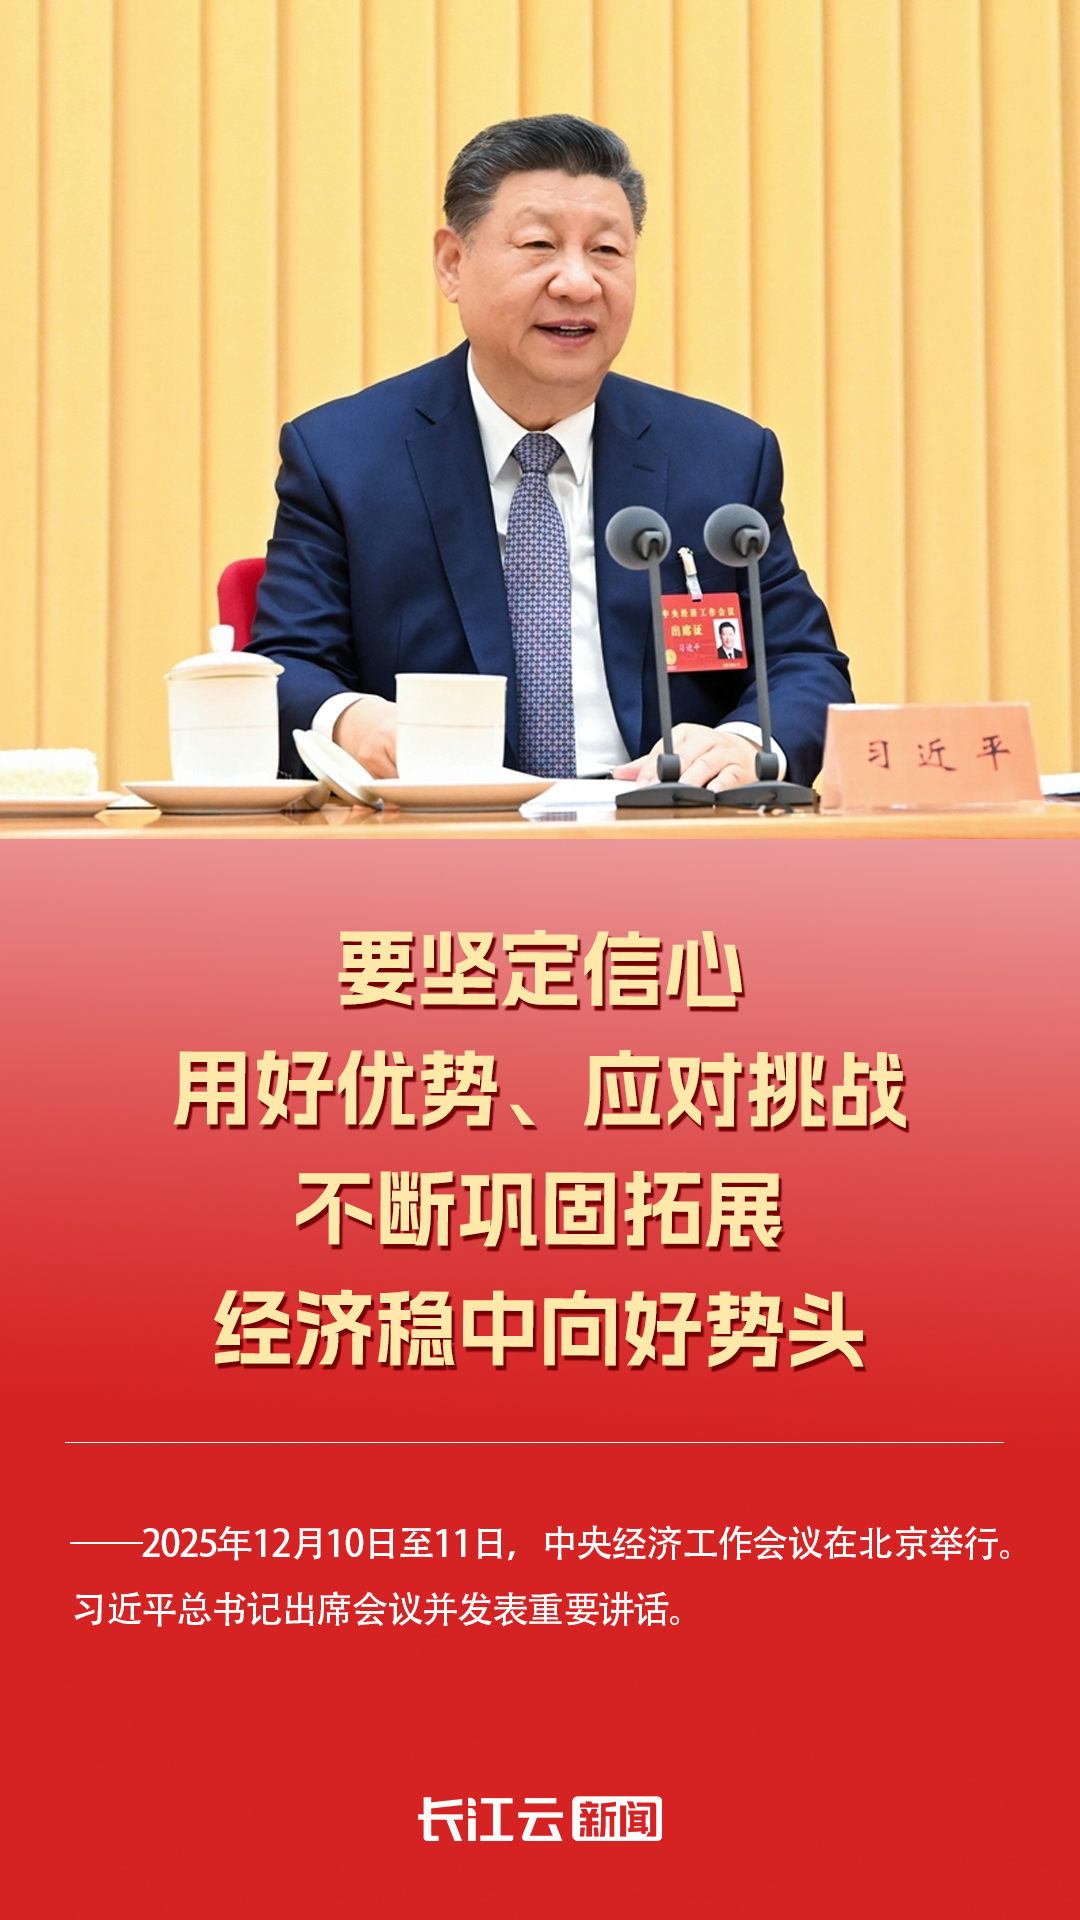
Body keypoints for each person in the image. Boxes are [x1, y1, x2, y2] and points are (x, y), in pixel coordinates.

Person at [249, 115, 852, 790]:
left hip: (657, 823)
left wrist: (738, 745)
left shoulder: (722, 459)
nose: (578, 282)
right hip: (445, 826)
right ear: (453, 263)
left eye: (607, 251)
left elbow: (805, 665)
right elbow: (285, 663)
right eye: (539, 245)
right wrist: (352, 721)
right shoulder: (344, 457)